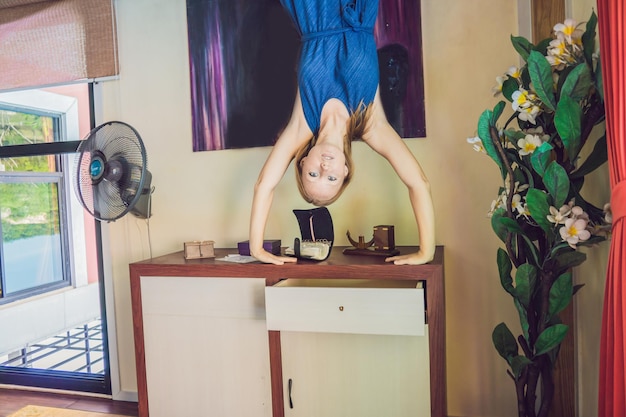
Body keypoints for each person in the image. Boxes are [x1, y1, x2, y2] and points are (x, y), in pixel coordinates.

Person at [249, 0, 435, 265]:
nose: (324, 168)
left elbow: (264, 185)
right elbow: (419, 183)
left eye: (314, 174)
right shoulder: (372, 125)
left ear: (303, 162)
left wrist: (257, 248)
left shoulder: (302, 125)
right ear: (345, 171)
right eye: (332, 178)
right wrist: (426, 251)